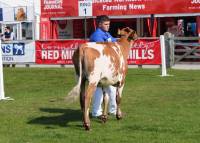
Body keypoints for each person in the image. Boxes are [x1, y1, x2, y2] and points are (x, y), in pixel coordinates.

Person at [89, 15, 117, 117]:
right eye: (105, 24)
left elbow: (113, 40)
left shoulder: (106, 33)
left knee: (110, 89)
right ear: (99, 24)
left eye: (108, 24)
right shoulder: (97, 35)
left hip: (105, 67)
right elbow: (104, 48)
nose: (108, 26)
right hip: (97, 67)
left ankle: (111, 110)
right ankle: (97, 112)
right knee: (99, 90)